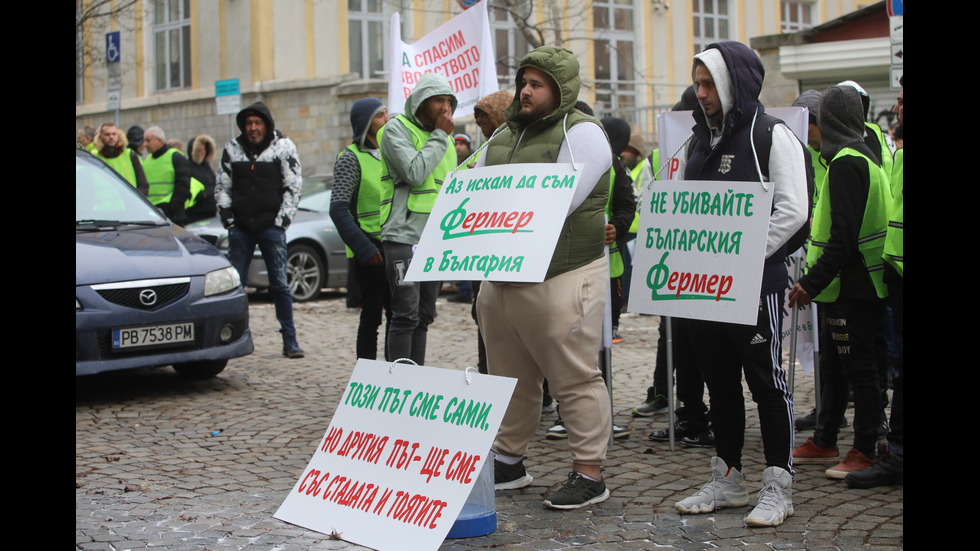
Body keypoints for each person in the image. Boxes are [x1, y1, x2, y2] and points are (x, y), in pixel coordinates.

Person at [670, 41, 808, 528]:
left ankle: (778, 482)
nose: (699, 92)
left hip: (754, 288)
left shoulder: (772, 135)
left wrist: (742, 258)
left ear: (733, 85)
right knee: (718, 383)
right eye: (697, 83)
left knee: (767, 384)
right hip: (703, 289)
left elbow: (793, 210)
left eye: (708, 84)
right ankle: (727, 475)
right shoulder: (697, 141)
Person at [475, 45, 614, 510]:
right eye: (523, 82)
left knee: (573, 376)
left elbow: (556, 205)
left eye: (537, 84)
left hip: (561, 273)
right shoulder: (499, 139)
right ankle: (509, 460)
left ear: (561, 89)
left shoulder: (584, 133)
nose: (526, 91)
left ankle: (589, 471)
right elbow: (473, 199)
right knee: (507, 376)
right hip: (503, 277)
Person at [788, 84, 891, 481]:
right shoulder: (856, 158)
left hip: (854, 285)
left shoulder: (848, 162)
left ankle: (865, 448)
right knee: (832, 366)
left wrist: (810, 283)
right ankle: (825, 438)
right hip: (845, 286)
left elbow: (843, 237)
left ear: (829, 120)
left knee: (860, 370)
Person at [846, 75, 903, 489]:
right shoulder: (895, 152)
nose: (897, 107)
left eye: (903, 98)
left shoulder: (864, 155)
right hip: (894, 272)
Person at [378, 73, 457, 365]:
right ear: (421, 102)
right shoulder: (395, 130)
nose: (445, 108)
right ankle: (397, 386)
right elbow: (414, 172)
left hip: (435, 239)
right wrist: (439, 135)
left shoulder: (444, 139)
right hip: (403, 235)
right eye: (438, 100)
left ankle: (416, 379)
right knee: (405, 314)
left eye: (449, 101)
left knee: (424, 316)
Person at [216, 101, 305, 358]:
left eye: (258, 123)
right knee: (235, 287)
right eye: (248, 124)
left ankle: (290, 340)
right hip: (241, 229)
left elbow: (293, 186)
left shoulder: (283, 147)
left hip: (271, 228)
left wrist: (282, 221)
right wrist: (229, 221)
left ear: (266, 124)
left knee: (279, 285)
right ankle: (231, 338)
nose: (253, 128)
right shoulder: (232, 149)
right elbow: (223, 186)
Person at [329, 97, 393, 361]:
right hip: (369, 251)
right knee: (371, 317)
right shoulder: (350, 159)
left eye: (387, 114)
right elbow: (338, 209)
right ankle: (365, 375)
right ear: (365, 124)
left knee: (398, 315)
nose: (387, 120)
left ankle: (394, 373)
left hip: (394, 244)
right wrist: (364, 247)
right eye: (380, 116)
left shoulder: (391, 153)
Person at [142, 125, 193, 225]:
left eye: (148, 140)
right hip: (153, 213)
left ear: (159, 140)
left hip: (173, 215)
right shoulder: (146, 161)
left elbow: (183, 186)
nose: (145, 144)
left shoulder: (175, 157)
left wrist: (172, 207)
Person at [92, 122, 149, 196]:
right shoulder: (94, 158)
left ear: (118, 136)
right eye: (107, 134)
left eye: (114, 134)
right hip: (102, 205)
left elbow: (143, 186)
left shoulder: (130, 156)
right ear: (100, 137)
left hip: (128, 205)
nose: (111, 137)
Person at [185, 134, 219, 224]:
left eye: (205, 149)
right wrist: (206, 194)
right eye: (201, 149)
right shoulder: (188, 167)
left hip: (210, 213)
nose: (204, 152)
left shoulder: (207, 167)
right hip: (195, 215)